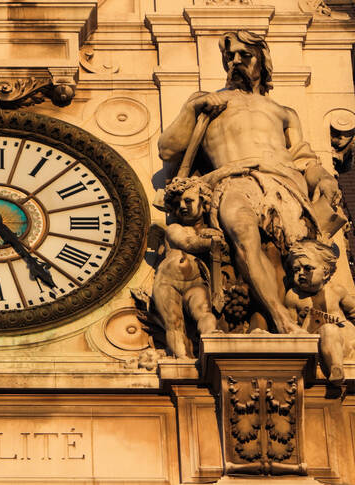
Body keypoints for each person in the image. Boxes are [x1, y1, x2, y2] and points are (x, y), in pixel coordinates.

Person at [158, 30, 341, 335]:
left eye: (245, 55)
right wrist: (194, 109)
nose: (236, 61)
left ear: (262, 60)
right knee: (241, 230)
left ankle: (286, 318)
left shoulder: (283, 112)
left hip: (285, 186)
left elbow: (303, 159)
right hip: (233, 180)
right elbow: (167, 149)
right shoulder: (206, 102)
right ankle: (281, 319)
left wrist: (323, 177)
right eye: (230, 57)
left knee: (290, 257)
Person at [152, 177, 221, 358]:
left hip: (196, 280)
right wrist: (214, 241)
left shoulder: (210, 230)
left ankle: (212, 338)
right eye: (177, 203)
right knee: (173, 322)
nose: (182, 206)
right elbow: (189, 243)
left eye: (188, 201)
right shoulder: (174, 228)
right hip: (167, 283)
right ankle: (182, 360)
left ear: (204, 203)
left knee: (203, 311)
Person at [284, 240, 355, 384]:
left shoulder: (336, 291)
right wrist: (301, 323)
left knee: (329, 330)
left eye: (307, 268)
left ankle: (336, 368)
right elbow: (290, 327)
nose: (301, 274)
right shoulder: (293, 296)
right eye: (296, 270)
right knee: (327, 330)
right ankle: (335, 367)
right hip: (314, 341)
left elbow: (353, 311)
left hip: (343, 338)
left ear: (325, 272)